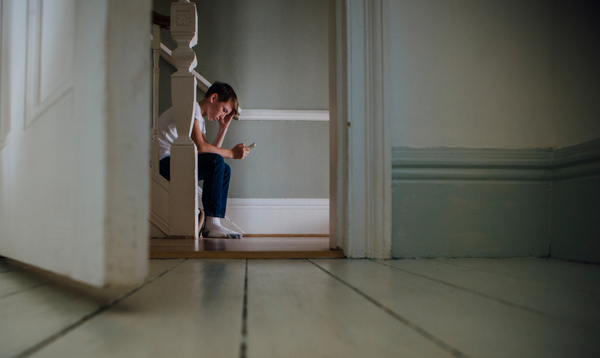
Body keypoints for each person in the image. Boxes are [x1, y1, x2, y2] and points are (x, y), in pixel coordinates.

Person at [157, 82, 250, 238]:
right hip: (162, 163)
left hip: (175, 162)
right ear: (213, 98)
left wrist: (223, 128)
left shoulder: (199, 119)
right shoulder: (191, 107)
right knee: (217, 162)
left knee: (224, 169)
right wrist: (232, 153)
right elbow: (201, 147)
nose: (223, 116)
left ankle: (215, 221)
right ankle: (211, 224)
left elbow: (208, 154)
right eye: (224, 110)